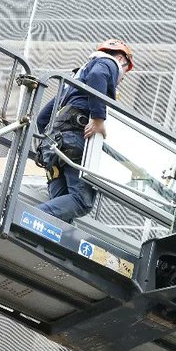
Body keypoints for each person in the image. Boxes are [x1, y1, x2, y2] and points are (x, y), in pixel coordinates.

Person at [34, 39, 135, 222]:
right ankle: (26, 216)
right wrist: (98, 118)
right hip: (74, 139)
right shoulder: (108, 62)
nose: (121, 78)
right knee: (81, 202)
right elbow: (98, 75)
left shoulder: (74, 81)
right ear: (121, 58)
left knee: (62, 211)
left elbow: (42, 118)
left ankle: (32, 226)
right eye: (124, 73)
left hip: (54, 148)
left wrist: (50, 138)